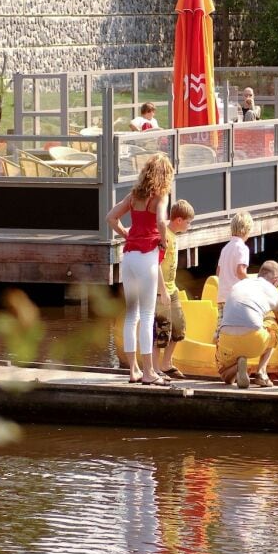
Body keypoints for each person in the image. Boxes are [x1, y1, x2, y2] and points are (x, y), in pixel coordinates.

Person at [106, 153, 174, 386]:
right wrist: (163, 240)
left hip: (129, 257)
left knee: (131, 315)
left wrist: (126, 233)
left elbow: (111, 217)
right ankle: (148, 372)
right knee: (146, 316)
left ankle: (133, 370)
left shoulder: (134, 196)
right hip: (147, 257)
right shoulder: (161, 196)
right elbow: (162, 221)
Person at [217, 261, 278, 389]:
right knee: (276, 322)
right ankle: (261, 372)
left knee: (225, 376)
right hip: (253, 339)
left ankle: (237, 366)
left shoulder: (241, 283)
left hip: (226, 337)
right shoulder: (273, 291)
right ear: (276, 280)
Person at [154, 199, 196, 380]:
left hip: (172, 289)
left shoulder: (175, 236)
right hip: (160, 291)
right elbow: (156, 264)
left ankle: (166, 363)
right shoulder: (165, 236)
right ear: (179, 220)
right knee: (161, 332)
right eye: (188, 222)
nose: (189, 225)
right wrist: (162, 289)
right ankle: (155, 368)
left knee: (179, 328)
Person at [216, 211, 253, 322]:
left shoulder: (225, 248)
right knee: (237, 325)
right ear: (247, 230)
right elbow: (240, 271)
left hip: (222, 296)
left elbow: (218, 272)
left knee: (222, 326)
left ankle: (218, 339)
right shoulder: (242, 248)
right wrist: (251, 283)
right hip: (235, 297)